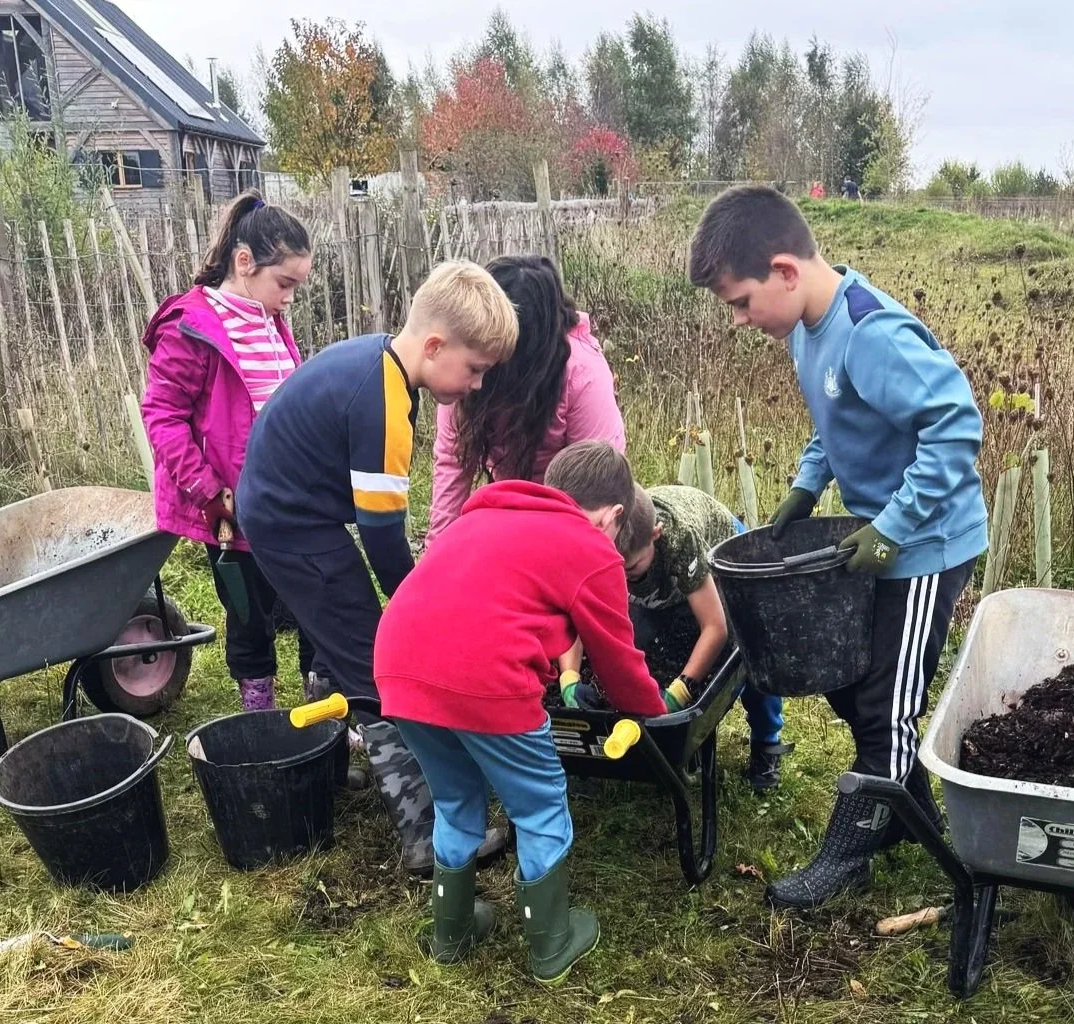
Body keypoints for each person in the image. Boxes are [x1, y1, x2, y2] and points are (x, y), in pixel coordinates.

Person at [688, 185, 987, 910]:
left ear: (785, 271)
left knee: (888, 705)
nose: (739, 319)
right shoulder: (806, 330)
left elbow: (956, 426)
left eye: (741, 302)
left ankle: (851, 850)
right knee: (846, 679)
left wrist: (893, 527)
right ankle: (906, 814)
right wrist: (805, 485)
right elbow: (837, 422)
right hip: (875, 536)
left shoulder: (870, 333)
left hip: (928, 543)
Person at [236, 259, 520, 875]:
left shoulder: (379, 362)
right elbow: (384, 536)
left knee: (336, 633)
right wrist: (419, 609)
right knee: (376, 663)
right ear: (436, 346)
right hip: (293, 525)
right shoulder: (384, 401)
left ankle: (328, 767)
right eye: (474, 369)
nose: (476, 385)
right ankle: (425, 833)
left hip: (284, 512)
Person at [373, 440, 680, 981]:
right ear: (613, 515)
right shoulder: (591, 547)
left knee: (453, 798)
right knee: (538, 807)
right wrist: (658, 716)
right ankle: (551, 944)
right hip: (487, 680)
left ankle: (452, 933)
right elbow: (618, 662)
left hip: (399, 667)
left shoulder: (481, 518)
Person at [140, 190, 313, 712]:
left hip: (288, 503)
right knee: (248, 614)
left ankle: (323, 707)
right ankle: (259, 713)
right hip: (230, 513)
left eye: (296, 286)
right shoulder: (193, 328)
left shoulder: (269, 320)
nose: (290, 298)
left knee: (315, 604)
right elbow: (162, 417)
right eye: (284, 283)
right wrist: (207, 491)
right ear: (244, 263)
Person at [556, 482, 793, 791]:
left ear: (655, 535)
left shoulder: (679, 539)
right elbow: (580, 614)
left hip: (723, 556)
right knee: (651, 642)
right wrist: (569, 679)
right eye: (618, 570)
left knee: (751, 649)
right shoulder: (599, 544)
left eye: (632, 567)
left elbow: (715, 628)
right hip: (668, 581)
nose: (624, 576)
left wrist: (680, 692)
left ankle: (767, 743)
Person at [427, 255, 625, 546]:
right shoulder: (468, 368)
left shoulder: (582, 373)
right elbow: (452, 462)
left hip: (571, 513)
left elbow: (600, 486)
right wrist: (437, 554)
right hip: (510, 504)